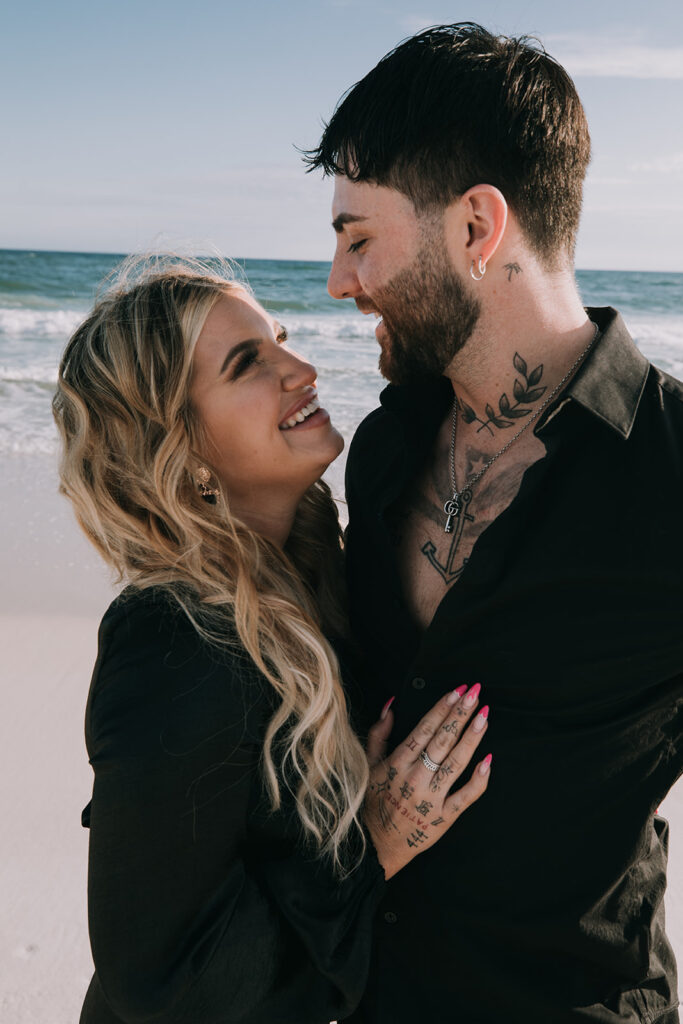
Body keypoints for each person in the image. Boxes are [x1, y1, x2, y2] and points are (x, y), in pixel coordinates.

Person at [306, 21, 683, 1024]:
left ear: (476, 226)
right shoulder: (382, 446)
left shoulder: (672, 468)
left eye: (357, 238)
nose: (340, 283)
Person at [52, 258, 493, 1024]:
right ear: (178, 449)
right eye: (247, 363)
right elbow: (161, 974)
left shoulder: (319, 573)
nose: (301, 368)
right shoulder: (173, 640)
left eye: (279, 338)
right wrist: (376, 847)